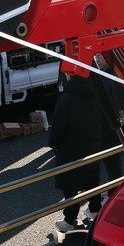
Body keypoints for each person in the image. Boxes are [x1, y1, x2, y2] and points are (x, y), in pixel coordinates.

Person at [49, 72, 110, 228]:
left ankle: (70, 219)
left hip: (70, 147)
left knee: (69, 184)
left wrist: (53, 143)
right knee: (91, 179)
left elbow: (59, 127)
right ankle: (95, 209)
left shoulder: (66, 100)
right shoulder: (94, 95)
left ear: (70, 78)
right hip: (92, 144)